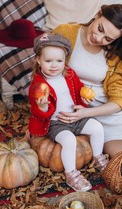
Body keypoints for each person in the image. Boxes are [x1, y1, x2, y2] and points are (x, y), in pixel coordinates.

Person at [52, 3, 122, 162]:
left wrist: (85, 112)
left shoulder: (116, 54)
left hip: (110, 110)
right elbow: (44, 68)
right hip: (92, 120)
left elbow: (118, 101)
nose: (98, 38)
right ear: (98, 14)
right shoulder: (65, 33)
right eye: (100, 28)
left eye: (107, 38)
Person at [28, 33, 109, 192]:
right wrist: (43, 107)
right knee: (69, 140)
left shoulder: (69, 74)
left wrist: (84, 99)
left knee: (97, 127)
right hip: (56, 123)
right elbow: (38, 112)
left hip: (75, 116)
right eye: (48, 61)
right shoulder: (38, 86)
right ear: (38, 60)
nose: (54, 65)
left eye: (59, 61)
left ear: (65, 60)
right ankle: (71, 173)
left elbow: (79, 90)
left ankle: (98, 158)